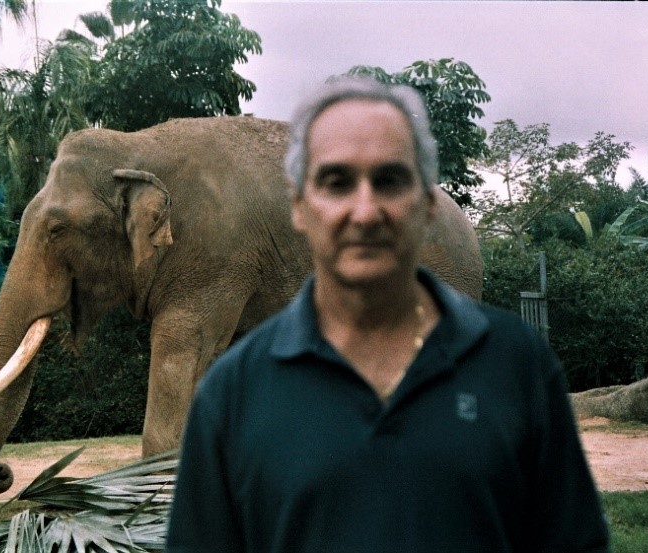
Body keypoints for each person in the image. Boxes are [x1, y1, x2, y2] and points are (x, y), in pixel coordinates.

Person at [165, 78, 610, 553]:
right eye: (336, 183)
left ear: (428, 203)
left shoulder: (518, 368)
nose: (365, 211)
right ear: (298, 207)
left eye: (390, 180)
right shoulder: (233, 392)